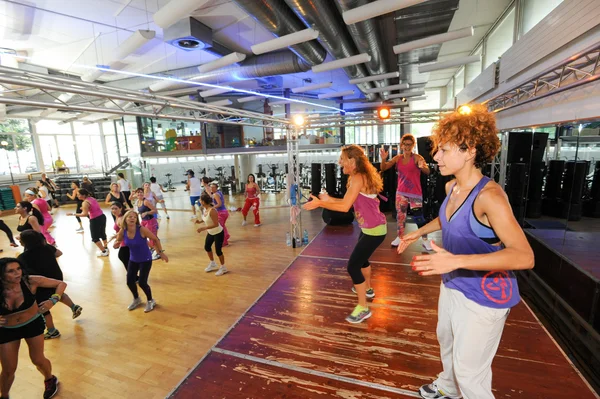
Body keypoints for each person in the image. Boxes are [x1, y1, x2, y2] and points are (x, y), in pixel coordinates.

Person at [397, 105, 535, 399]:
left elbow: (524, 256)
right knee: (446, 341)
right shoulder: (452, 188)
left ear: (469, 151)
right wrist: (417, 232)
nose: (436, 157)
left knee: (470, 374)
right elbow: (446, 218)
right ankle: (448, 386)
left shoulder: (490, 197)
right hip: (453, 283)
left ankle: (460, 385)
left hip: (484, 295)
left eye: (444, 150)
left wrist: (454, 260)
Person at [303, 145, 387, 323]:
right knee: (362, 260)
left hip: (374, 231)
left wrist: (320, 204)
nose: (339, 162)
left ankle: (363, 308)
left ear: (351, 160)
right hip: (370, 229)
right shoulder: (358, 177)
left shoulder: (358, 178)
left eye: (342, 159)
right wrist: (328, 199)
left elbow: (344, 208)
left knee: (352, 266)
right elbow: (346, 201)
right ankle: (368, 289)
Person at [0, 257, 63, 399]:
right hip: (7, 329)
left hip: (32, 324)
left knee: (38, 359)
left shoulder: (30, 281)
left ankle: (49, 379)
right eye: (11, 271)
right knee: (8, 369)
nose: (17, 274)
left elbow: (60, 284)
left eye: (18, 269)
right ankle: (4, 395)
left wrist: (53, 300)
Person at [17, 231, 83, 340]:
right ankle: (73, 306)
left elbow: (23, 273)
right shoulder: (47, 248)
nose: (19, 240)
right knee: (57, 292)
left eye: (21, 239)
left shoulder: (23, 257)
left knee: (42, 306)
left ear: (26, 242)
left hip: (41, 282)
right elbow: (59, 253)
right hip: (56, 276)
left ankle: (52, 331)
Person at [380, 134, 431, 250]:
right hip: (401, 193)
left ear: (413, 145)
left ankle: (425, 240)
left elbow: (427, 171)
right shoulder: (398, 158)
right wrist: (383, 159)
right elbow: (384, 168)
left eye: (409, 144)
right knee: (400, 217)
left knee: (419, 217)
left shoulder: (417, 158)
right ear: (401, 145)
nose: (407, 147)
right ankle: (400, 237)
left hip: (415, 193)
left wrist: (422, 166)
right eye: (405, 144)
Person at [114, 210, 168, 312]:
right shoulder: (123, 231)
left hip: (145, 259)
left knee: (142, 282)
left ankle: (151, 300)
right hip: (133, 259)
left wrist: (161, 253)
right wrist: (116, 244)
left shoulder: (142, 230)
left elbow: (155, 239)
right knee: (130, 281)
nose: (132, 218)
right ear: (125, 219)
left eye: (134, 217)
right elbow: (119, 240)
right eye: (130, 216)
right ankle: (136, 299)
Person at [67, 189, 108, 256]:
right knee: (102, 233)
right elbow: (93, 208)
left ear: (83, 195)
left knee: (94, 237)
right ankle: (106, 248)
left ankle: (104, 252)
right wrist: (84, 208)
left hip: (95, 219)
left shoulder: (85, 203)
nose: (77, 196)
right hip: (102, 217)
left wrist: (73, 214)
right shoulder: (92, 198)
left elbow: (84, 214)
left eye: (78, 194)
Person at [196, 192, 228, 276]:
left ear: (203, 201)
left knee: (218, 251)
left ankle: (223, 267)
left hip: (218, 232)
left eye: (200, 200)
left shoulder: (212, 210)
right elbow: (206, 218)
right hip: (211, 232)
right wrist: (199, 221)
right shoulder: (204, 209)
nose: (199, 202)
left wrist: (203, 228)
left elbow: (216, 224)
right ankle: (213, 263)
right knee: (207, 247)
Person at [133, 188, 159, 260]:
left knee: (152, 237)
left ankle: (157, 253)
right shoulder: (138, 202)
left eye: (141, 192)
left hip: (150, 221)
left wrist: (147, 212)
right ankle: (153, 249)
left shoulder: (146, 201)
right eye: (138, 193)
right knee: (143, 236)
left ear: (143, 194)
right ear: (136, 194)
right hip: (143, 222)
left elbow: (155, 210)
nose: (139, 194)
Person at [109, 202, 129, 272]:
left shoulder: (120, 219)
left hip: (125, 242)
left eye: (116, 209)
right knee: (125, 258)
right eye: (112, 209)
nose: (114, 210)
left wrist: (117, 240)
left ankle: (133, 275)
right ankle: (133, 275)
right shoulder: (117, 217)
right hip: (123, 241)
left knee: (123, 257)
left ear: (120, 208)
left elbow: (125, 231)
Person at [210, 182, 230, 246]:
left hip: (221, 213)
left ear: (216, 188)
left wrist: (212, 208)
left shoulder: (216, 194)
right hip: (224, 212)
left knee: (220, 228)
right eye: (211, 187)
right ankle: (226, 236)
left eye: (213, 187)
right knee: (222, 226)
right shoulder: (219, 193)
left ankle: (224, 242)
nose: (211, 188)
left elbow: (219, 204)